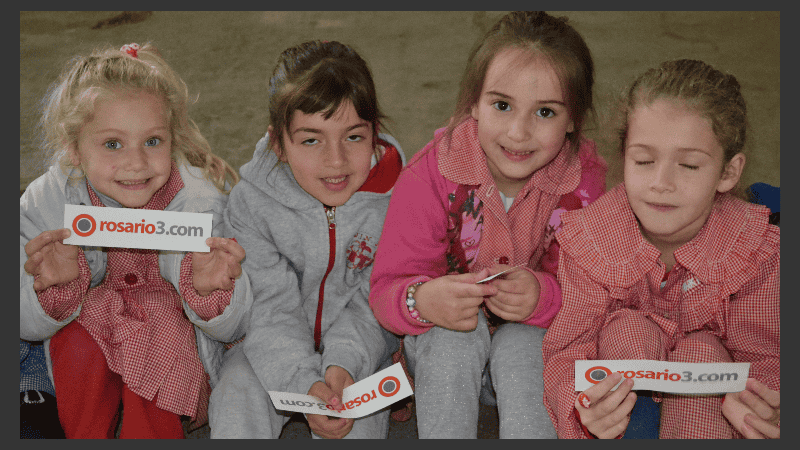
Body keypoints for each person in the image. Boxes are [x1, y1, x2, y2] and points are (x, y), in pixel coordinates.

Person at [369, 11, 607, 438]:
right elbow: (386, 290)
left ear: (574, 119)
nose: (518, 133)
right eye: (502, 105)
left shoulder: (585, 186)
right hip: (441, 355)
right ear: (473, 104)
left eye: (546, 112)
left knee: (522, 343)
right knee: (454, 336)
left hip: (535, 353)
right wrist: (423, 299)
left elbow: (600, 293)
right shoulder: (430, 175)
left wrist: (544, 295)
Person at [20, 42, 251, 439]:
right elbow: (23, 321)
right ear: (74, 149)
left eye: (153, 141)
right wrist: (50, 288)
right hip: (88, 334)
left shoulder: (201, 203)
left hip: (173, 347)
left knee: (160, 321)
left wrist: (213, 290)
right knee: (77, 341)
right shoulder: (48, 200)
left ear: (172, 140)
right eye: (113, 144)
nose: (136, 163)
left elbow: (238, 327)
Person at [543, 59, 780, 439]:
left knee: (702, 351)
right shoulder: (589, 239)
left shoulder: (757, 251)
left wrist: (765, 402)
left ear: (728, 173)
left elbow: (769, 358)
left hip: (711, 414)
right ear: (623, 159)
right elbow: (566, 352)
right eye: (644, 160)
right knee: (629, 333)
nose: (660, 182)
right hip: (624, 413)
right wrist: (583, 406)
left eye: (687, 165)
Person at [209, 40, 405, 439]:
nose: (336, 161)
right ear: (279, 144)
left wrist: (341, 368)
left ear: (375, 134)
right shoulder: (252, 203)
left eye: (353, 137)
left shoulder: (401, 197)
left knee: (356, 424)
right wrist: (302, 381)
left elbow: (377, 300)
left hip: (361, 351)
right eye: (311, 139)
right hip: (270, 347)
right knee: (235, 395)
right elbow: (269, 308)